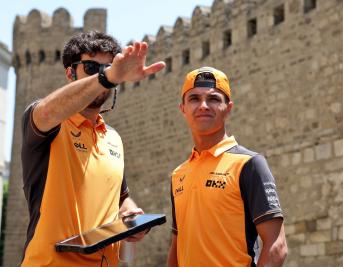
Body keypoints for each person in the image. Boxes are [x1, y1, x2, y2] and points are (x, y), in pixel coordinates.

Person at [20, 31, 165, 266]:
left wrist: (132, 218)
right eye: (91, 67)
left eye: (109, 67)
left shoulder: (113, 138)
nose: (101, 73)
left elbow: (121, 198)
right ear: (70, 73)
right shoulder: (48, 122)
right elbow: (47, 111)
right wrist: (107, 76)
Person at [166, 67, 287, 267]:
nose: (203, 105)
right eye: (194, 99)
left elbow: (277, 245)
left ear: (228, 108)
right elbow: (177, 245)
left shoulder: (249, 164)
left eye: (213, 99)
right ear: (183, 109)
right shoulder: (179, 174)